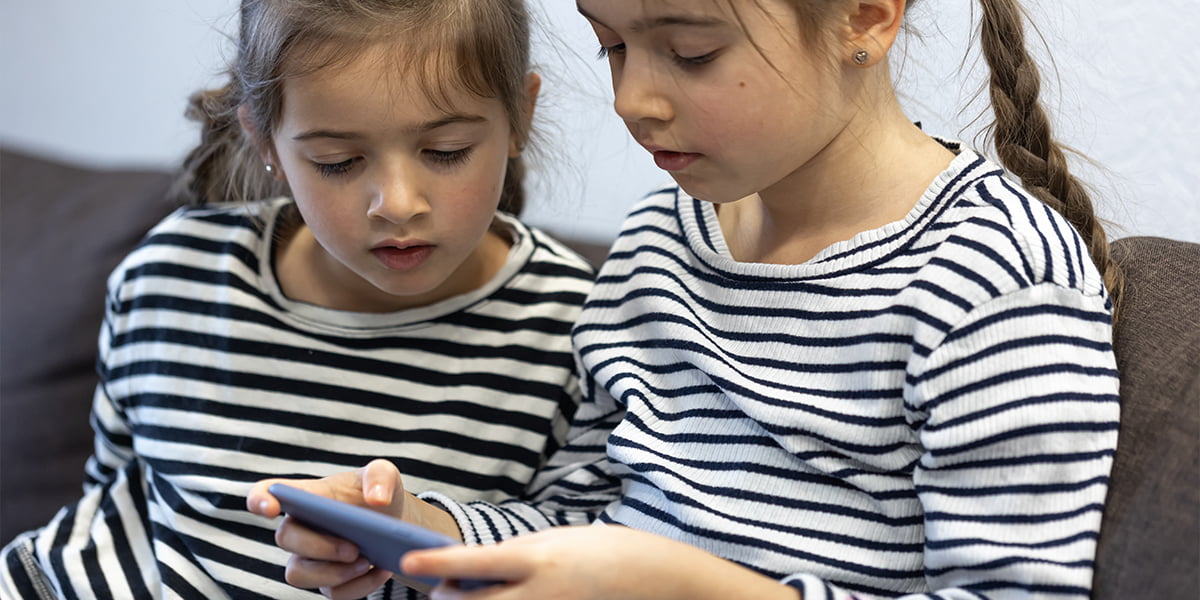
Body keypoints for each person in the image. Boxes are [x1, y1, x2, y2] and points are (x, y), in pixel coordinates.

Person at [248, 0, 1123, 598]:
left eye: (692, 51)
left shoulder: (991, 275)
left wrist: (673, 583)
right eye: (612, 43)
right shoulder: (664, 239)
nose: (633, 99)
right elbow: (575, 514)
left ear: (864, 14)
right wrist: (424, 529)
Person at [0, 0, 596, 598]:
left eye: (445, 151)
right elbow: (110, 494)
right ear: (267, 143)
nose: (396, 202)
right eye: (336, 161)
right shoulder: (170, 274)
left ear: (520, 114)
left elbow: (590, 549)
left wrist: (429, 525)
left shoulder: (581, 331)